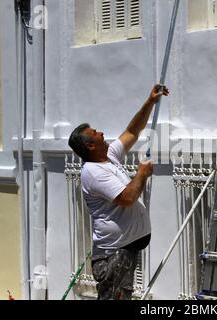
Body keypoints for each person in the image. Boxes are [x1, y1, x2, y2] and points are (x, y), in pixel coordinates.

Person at [68, 84, 169, 300]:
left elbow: (132, 131)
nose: (102, 133)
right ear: (91, 146)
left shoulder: (109, 156)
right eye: (95, 133)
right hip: (113, 255)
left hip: (124, 250)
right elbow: (127, 198)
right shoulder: (93, 172)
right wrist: (141, 173)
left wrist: (150, 101)